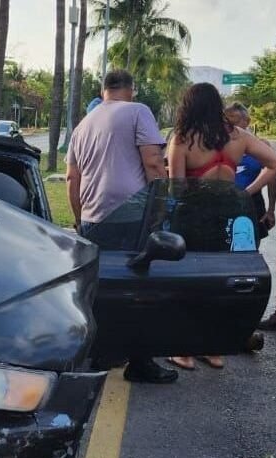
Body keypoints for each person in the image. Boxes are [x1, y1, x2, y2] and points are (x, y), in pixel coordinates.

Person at [66, 69, 177, 383]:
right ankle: (141, 362)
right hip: (130, 215)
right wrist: (161, 207)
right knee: (141, 290)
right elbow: (154, 163)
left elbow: (72, 179)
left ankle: (103, 352)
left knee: (99, 290)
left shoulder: (83, 125)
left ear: (103, 91)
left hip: (92, 216)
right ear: (131, 89)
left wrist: (79, 217)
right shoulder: (137, 111)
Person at [166, 84, 276, 369]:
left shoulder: (183, 139)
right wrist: (247, 192)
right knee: (219, 280)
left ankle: (183, 350)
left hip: (194, 215)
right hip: (228, 216)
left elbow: (175, 189)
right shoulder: (238, 136)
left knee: (189, 281)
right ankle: (213, 349)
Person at [224, 102, 276, 241]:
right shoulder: (219, 144)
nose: (231, 125)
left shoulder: (261, 145)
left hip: (252, 203)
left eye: (236, 121)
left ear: (247, 121)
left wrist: (271, 210)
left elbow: (272, 177)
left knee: (251, 246)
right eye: (228, 120)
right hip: (224, 202)